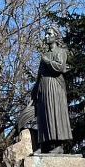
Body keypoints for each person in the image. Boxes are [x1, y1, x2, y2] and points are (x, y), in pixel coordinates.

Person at [20, 25, 72, 154]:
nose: (46, 36)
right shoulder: (46, 54)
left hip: (55, 87)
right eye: (46, 34)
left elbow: (59, 68)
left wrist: (47, 61)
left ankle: (58, 146)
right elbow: (39, 76)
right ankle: (45, 146)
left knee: (54, 114)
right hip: (43, 88)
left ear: (56, 36)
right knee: (44, 116)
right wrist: (34, 94)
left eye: (49, 34)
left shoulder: (60, 52)